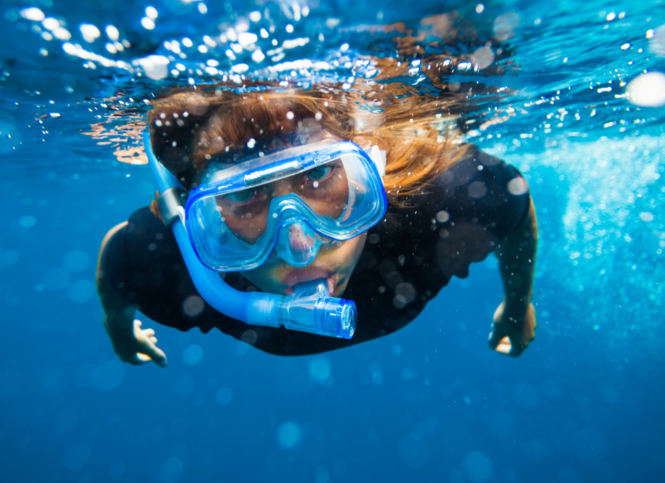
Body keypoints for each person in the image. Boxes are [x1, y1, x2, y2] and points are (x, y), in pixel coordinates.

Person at [96, 57, 537, 364]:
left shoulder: (449, 198)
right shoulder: (169, 263)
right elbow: (115, 263)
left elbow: (518, 211)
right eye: (244, 197)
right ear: (203, 221)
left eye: (322, 176)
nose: (299, 247)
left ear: (372, 177)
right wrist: (119, 330)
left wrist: (518, 303)